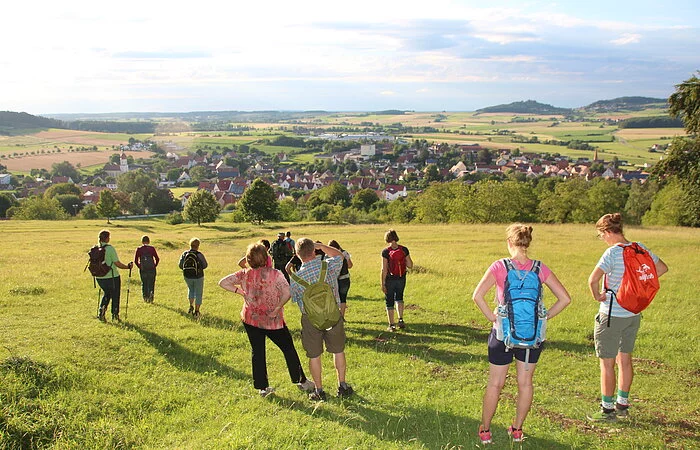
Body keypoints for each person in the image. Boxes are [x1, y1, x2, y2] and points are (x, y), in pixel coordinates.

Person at [472, 224, 571, 445]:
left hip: (502, 335)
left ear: (509, 242)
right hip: (532, 337)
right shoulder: (539, 268)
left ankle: (485, 430)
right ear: (528, 243)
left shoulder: (499, 266)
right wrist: (543, 318)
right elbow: (565, 299)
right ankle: (517, 430)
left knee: (495, 384)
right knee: (525, 383)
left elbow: (477, 296)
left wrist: (492, 317)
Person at [587, 213, 668, 421]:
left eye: (601, 235)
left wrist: (598, 296)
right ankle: (622, 405)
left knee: (607, 363)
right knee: (625, 359)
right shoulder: (640, 247)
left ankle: (607, 410)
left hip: (612, 314)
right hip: (633, 313)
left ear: (607, 232)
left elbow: (592, 280)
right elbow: (661, 268)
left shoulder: (612, 253)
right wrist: (637, 286)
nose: (602, 239)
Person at [219, 242, 315, 397]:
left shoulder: (244, 273)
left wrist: (241, 292)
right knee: (288, 349)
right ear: (266, 257)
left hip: (250, 319)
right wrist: (277, 308)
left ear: (248, 259)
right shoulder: (275, 274)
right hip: (273, 321)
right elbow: (287, 293)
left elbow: (223, 282)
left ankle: (263, 388)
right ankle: (301, 381)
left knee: (257, 352)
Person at [289, 238, 354, 401]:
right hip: (333, 315)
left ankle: (319, 390)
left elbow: (296, 300)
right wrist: (321, 246)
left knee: (314, 355)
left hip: (311, 320)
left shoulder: (296, 278)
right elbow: (339, 255)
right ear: (314, 250)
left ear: (297, 255)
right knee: (338, 351)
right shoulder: (328, 266)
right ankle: (342, 385)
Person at [95, 229, 133, 322]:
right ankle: (115, 315)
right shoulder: (110, 248)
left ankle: (101, 311)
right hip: (112, 276)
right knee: (115, 295)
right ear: (107, 238)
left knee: (107, 294)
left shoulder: (95, 248)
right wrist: (127, 267)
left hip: (99, 277)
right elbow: (117, 263)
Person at [381, 229, 413, 331]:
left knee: (389, 301)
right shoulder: (404, 249)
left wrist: (382, 283)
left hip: (390, 279)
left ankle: (391, 325)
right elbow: (410, 265)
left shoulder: (386, 252)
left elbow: (384, 269)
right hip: (401, 277)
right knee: (399, 297)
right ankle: (400, 319)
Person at [178, 237, 208, 319]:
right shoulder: (199, 254)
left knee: (191, 290)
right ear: (198, 246)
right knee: (198, 293)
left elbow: (180, 265)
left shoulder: (185, 254)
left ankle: (191, 306)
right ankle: (197, 311)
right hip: (198, 276)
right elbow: (205, 265)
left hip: (187, 276)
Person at [328, 239, 353, 317]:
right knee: (343, 298)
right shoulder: (344, 253)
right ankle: (342, 316)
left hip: (334, 279)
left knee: (333, 298)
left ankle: (335, 315)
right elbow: (350, 265)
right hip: (345, 278)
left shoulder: (330, 256)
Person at [134, 235, 160, 303]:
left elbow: (136, 260)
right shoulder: (152, 248)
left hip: (143, 269)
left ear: (142, 241)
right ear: (149, 241)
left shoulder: (139, 249)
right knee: (151, 283)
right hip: (151, 268)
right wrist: (154, 265)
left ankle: (145, 297)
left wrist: (140, 266)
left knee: (144, 283)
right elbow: (157, 258)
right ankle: (151, 295)